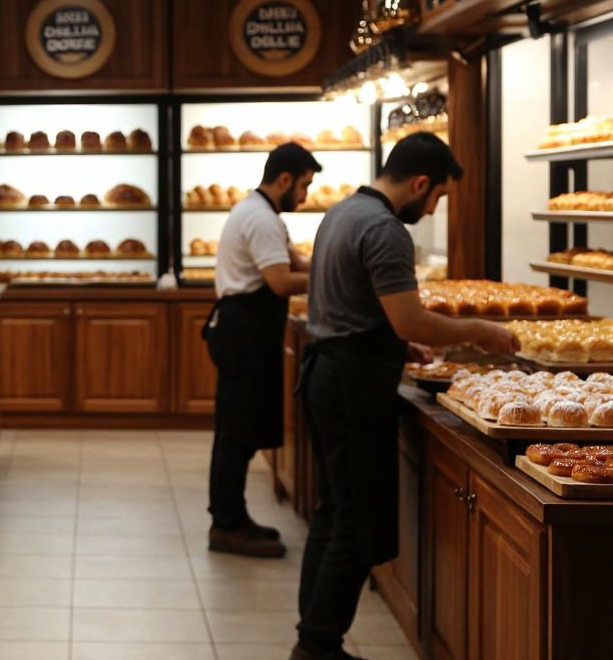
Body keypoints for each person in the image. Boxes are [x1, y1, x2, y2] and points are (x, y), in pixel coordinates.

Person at [290, 133, 518, 660]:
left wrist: (397, 340)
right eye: (436, 196)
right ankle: (317, 647)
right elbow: (408, 315)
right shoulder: (386, 229)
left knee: (333, 511)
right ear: (419, 183)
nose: (433, 206)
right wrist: (479, 331)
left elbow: (355, 307)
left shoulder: (342, 212)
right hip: (352, 388)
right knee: (355, 519)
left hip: (326, 374)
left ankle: (315, 636)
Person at [203, 142, 322, 558]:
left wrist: (323, 263)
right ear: (284, 179)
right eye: (304, 185)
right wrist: (335, 278)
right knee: (236, 434)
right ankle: (227, 524)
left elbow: (293, 263)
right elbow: (279, 281)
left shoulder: (258, 211)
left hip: (242, 330)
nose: (306, 196)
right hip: (244, 334)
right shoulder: (261, 218)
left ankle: (233, 516)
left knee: (238, 428)